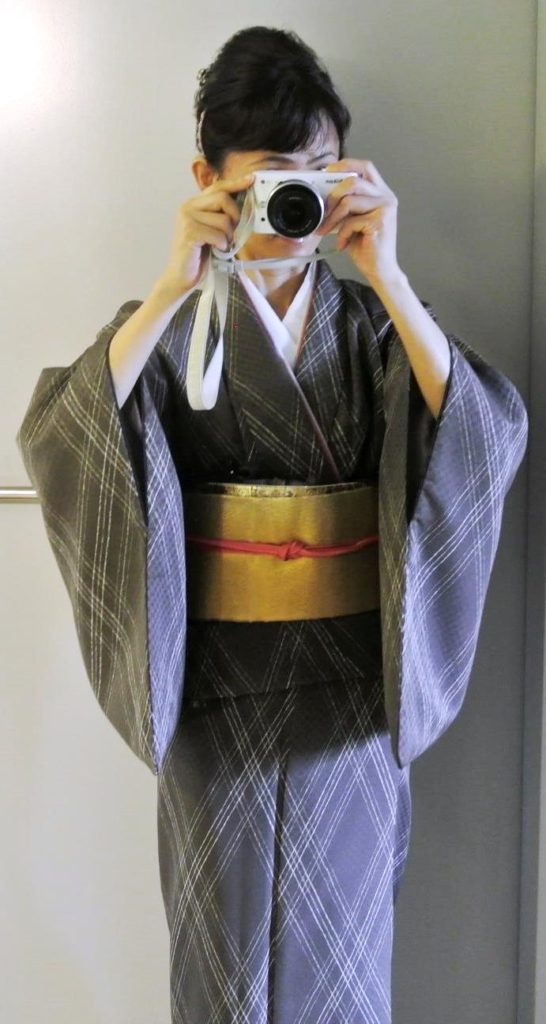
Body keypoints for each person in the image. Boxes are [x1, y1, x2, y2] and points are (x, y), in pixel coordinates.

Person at [16, 25, 528, 1024]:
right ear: (208, 178)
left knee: (342, 966)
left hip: (350, 694)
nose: (296, 202)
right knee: (222, 967)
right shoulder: (169, 327)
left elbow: (481, 432)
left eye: (318, 173)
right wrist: (172, 283)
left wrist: (388, 275)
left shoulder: (373, 325)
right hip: (217, 698)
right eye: (270, 179)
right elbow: (65, 433)